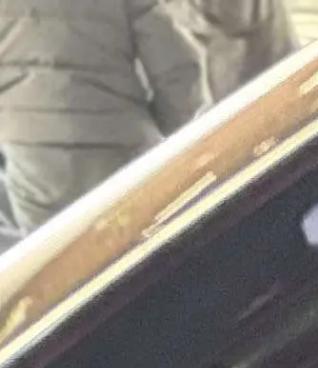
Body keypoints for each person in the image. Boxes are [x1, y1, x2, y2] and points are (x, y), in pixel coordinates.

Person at [0, 0, 288, 243]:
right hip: (124, 150)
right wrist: (177, 130)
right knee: (137, 251)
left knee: (57, 261)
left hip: (34, 160)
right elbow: (176, 68)